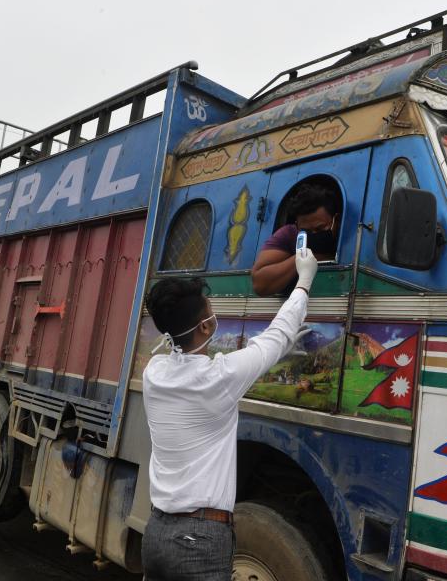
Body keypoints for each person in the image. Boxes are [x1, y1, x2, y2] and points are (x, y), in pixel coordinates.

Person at [140, 247, 319, 580]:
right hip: (198, 542)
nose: (214, 314)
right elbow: (277, 336)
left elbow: (185, 356)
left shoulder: (154, 373)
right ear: (207, 327)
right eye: (211, 311)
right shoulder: (217, 379)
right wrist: (304, 279)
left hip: (156, 534)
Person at [251, 183, 341, 296]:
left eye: (320, 228)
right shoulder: (288, 234)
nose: (314, 234)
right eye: (306, 231)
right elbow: (260, 284)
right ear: (297, 226)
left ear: (336, 220)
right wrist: (302, 257)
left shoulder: (349, 235)